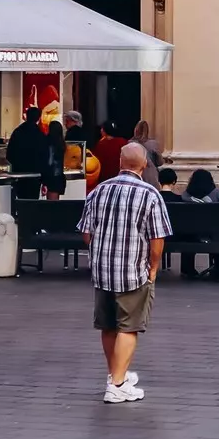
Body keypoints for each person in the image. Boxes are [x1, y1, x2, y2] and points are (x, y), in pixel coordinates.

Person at [79, 143, 172, 405]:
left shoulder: (99, 191)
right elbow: (157, 239)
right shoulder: (150, 195)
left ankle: (115, 375)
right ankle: (117, 385)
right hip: (133, 270)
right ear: (144, 165)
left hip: (102, 269)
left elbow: (86, 233)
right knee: (128, 327)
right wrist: (153, 268)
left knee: (108, 325)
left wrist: (100, 251)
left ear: (120, 161)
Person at [176, 168, 219, 280]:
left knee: (188, 232)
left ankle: (187, 268)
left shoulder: (185, 196)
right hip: (212, 235)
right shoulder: (217, 194)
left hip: (190, 235)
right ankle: (218, 267)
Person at [7, 106, 51, 201]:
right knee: (32, 203)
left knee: (20, 201)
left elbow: (9, 154)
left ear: (26, 116)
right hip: (35, 176)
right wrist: (44, 180)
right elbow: (45, 158)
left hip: (19, 175)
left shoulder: (17, 132)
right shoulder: (40, 135)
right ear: (38, 118)